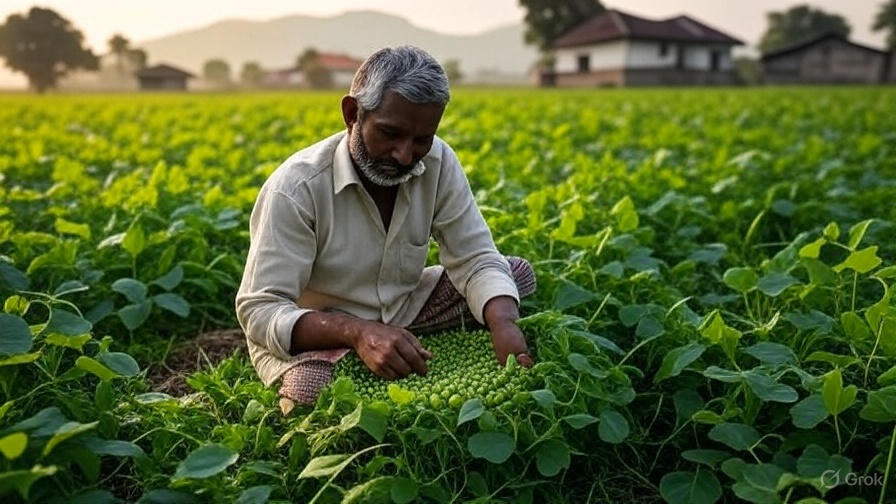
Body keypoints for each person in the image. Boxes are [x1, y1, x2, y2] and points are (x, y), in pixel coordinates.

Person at [235, 45, 536, 413]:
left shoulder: (439, 162)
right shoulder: (297, 188)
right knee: (311, 390)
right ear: (352, 114)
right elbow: (261, 310)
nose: (405, 155)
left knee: (512, 277)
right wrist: (357, 332)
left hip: (403, 308)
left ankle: (404, 340)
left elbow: (474, 256)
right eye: (390, 134)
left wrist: (504, 324)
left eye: (422, 139)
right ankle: (360, 352)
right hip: (319, 331)